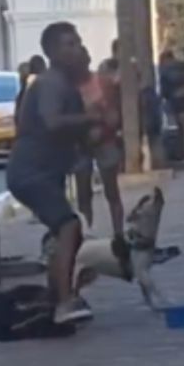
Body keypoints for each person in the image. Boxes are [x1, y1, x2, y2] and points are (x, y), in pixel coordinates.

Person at [6, 22, 100, 324]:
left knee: (64, 233)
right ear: (51, 52)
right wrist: (90, 118)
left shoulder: (66, 86)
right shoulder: (50, 83)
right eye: (68, 45)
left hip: (47, 172)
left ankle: (54, 295)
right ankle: (64, 301)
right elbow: (52, 122)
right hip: (31, 172)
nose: (76, 50)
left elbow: (77, 136)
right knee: (68, 226)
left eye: (78, 43)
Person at [74, 51, 124, 232]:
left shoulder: (102, 82)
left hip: (105, 138)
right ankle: (86, 232)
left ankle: (118, 233)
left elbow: (113, 115)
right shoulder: (68, 86)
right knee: (83, 193)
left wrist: (101, 122)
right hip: (80, 142)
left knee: (111, 190)